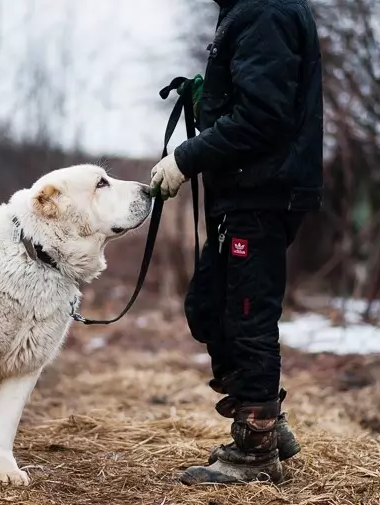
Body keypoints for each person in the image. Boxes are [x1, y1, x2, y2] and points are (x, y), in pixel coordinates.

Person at [149, 0, 323, 485]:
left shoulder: (265, 11)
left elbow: (263, 118)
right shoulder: (249, 11)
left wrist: (186, 158)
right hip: (246, 193)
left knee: (248, 316)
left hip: (263, 194)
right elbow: (257, 101)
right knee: (208, 307)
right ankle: (265, 417)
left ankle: (255, 446)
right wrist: (210, 101)